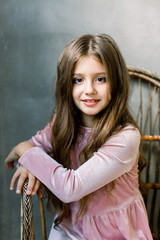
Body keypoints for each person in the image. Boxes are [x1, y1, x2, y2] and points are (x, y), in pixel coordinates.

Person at [5, 34, 153, 240]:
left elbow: (69, 188)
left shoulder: (126, 137)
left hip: (115, 234)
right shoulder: (63, 124)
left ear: (116, 82)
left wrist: (22, 149)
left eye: (100, 79)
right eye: (78, 80)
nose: (89, 90)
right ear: (67, 84)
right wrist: (28, 163)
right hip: (70, 228)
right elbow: (36, 148)